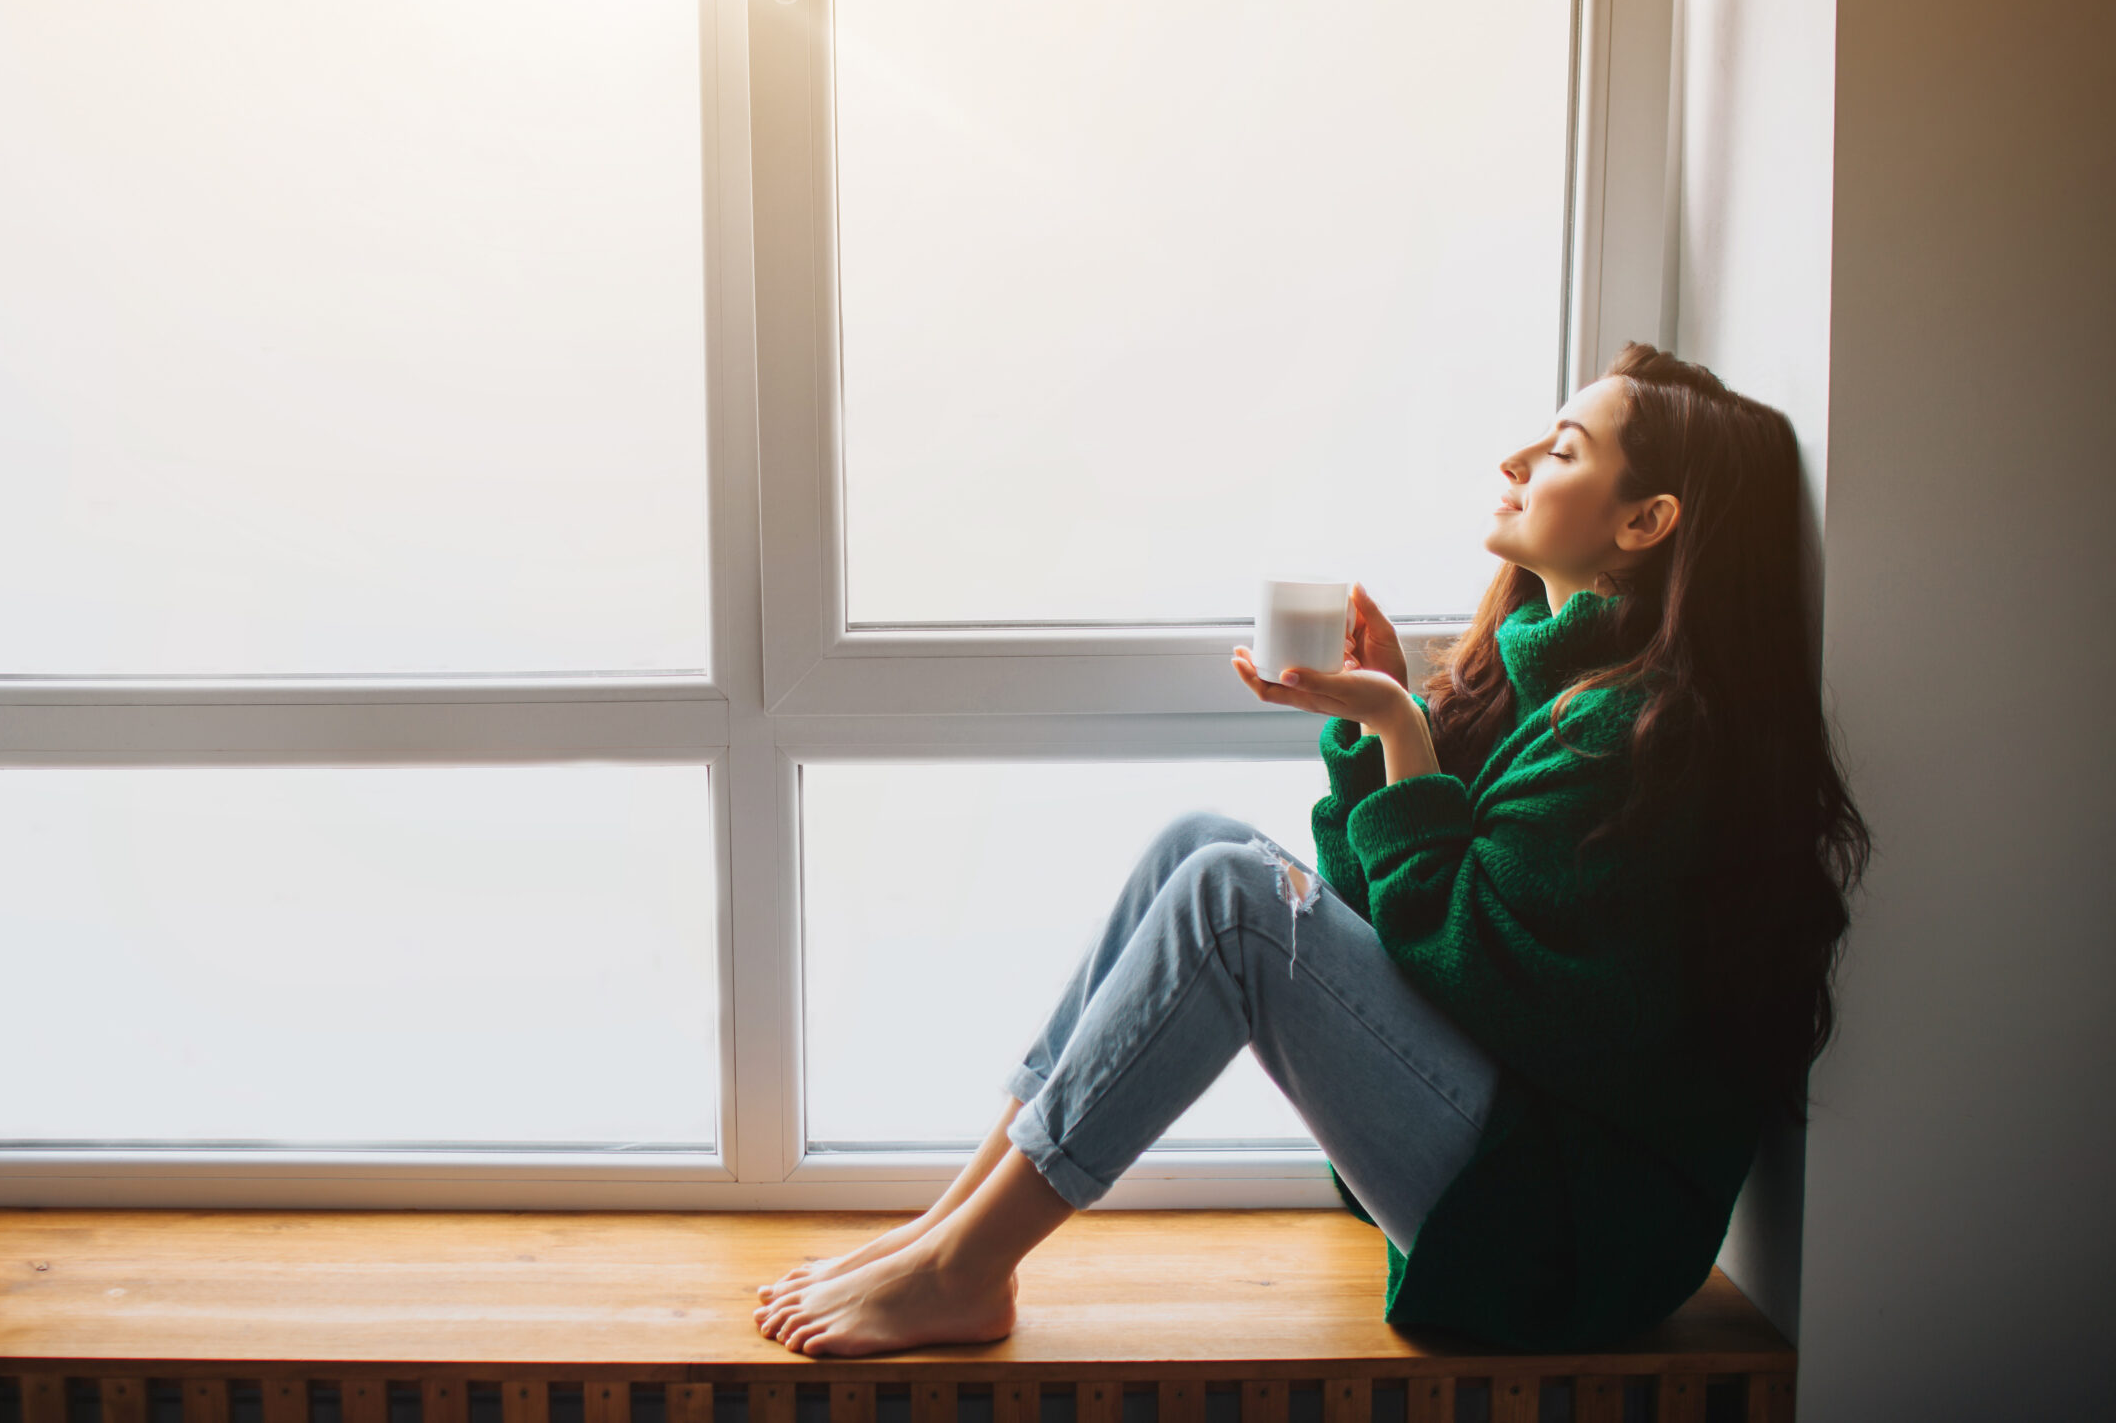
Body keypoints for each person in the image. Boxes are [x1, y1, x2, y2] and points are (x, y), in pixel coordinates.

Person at [752, 344, 1869, 1357]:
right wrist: (1369, 732)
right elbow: (1395, 923)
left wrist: (1397, 723)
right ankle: (949, 1232)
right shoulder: (1566, 693)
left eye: (1564, 449)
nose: (1518, 457)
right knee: (1202, 846)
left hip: (1553, 1241)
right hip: (1518, 1175)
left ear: (1644, 523)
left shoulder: (1632, 730)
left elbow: (1467, 970)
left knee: (1233, 896)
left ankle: (963, 1269)